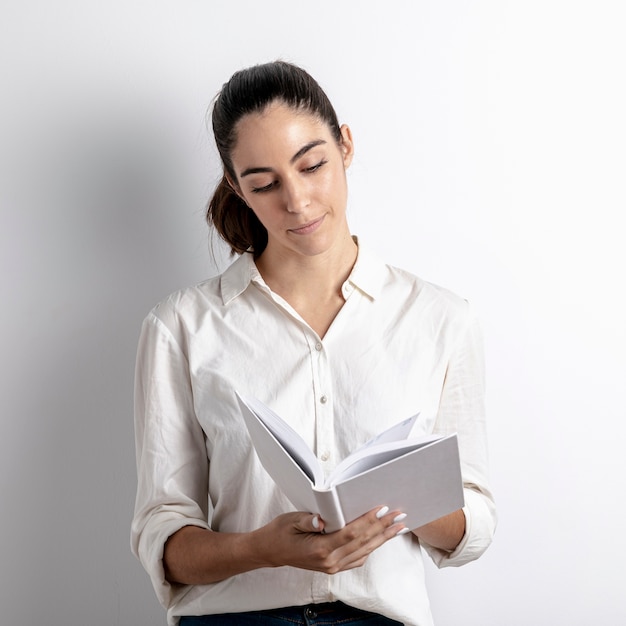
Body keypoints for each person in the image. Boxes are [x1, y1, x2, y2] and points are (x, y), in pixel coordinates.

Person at [131, 61, 496, 626]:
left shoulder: (439, 317)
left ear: (345, 145)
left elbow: (475, 523)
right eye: (264, 184)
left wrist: (396, 503)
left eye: (312, 165)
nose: (297, 201)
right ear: (236, 186)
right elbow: (164, 538)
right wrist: (261, 548)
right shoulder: (180, 325)